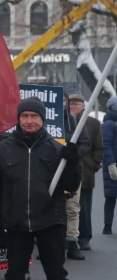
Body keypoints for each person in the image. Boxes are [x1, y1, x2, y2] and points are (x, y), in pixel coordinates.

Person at [0, 97, 81, 280]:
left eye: (34, 117)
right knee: (14, 277)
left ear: (43, 119)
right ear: (18, 119)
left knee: (57, 275)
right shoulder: (3, 149)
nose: (29, 121)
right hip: (16, 225)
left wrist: (74, 162)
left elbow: (71, 185)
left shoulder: (56, 148)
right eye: (25, 116)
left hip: (51, 220)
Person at [68, 94, 103, 250]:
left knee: (85, 206)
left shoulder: (93, 124)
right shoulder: (64, 122)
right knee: (68, 207)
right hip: (68, 171)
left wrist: (93, 165)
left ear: (83, 106)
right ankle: (68, 237)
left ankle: (84, 238)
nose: (72, 107)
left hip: (86, 171)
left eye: (76, 104)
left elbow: (99, 147)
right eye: (70, 104)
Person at [62, 93, 91, 260]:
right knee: (52, 209)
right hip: (50, 173)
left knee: (72, 208)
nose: (68, 106)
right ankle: (55, 243)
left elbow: (86, 144)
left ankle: (72, 243)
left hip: (72, 172)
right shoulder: (50, 122)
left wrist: (73, 154)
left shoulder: (76, 122)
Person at [102, 96, 117, 234]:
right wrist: (111, 163)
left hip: (113, 164)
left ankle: (108, 227)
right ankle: (107, 226)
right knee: (111, 197)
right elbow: (106, 145)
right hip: (113, 165)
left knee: (111, 197)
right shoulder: (109, 124)